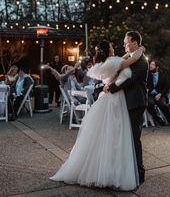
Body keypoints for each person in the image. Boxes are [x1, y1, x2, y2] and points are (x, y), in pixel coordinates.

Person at [50, 39, 144, 191]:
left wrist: (128, 54)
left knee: (102, 136)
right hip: (115, 101)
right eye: (112, 46)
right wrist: (140, 49)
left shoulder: (101, 65)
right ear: (108, 50)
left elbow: (124, 59)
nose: (114, 48)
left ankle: (98, 170)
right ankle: (111, 173)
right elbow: (132, 59)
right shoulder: (114, 62)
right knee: (115, 135)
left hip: (105, 99)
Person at [104, 30, 149, 184]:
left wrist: (110, 88)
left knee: (134, 138)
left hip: (135, 103)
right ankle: (129, 171)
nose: (124, 45)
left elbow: (128, 80)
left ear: (135, 43)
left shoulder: (141, 61)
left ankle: (139, 173)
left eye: (126, 43)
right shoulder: (131, 58)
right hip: (128, 102)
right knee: (127, 138)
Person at [147, 60, 170, 127]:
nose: (150, 66)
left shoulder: (163, 75)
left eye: (152, 65)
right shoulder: (147, 75)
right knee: (149, 104)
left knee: (164, 105)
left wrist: (160, 94)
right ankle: (158, 119)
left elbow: (166, 86)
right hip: (150, 95)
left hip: (160, 95)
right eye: (150, 64)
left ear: (157, 67)